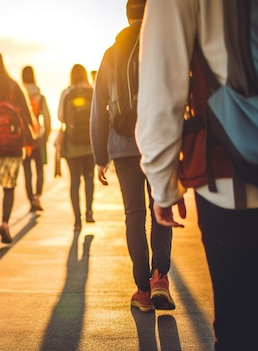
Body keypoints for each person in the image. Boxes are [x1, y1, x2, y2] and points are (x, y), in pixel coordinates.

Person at [137, 0, 258, 348]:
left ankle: (150, 281)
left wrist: (162, 185)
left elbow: (161, 86)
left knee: (241, 330)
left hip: (234, 179)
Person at [90, 0, 174, 313]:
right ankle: (159, 278)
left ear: (127, 15)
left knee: (134, 215)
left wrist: (100, 156)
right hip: (159, 143)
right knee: (160, 208)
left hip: (123, 146)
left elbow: (99, 109)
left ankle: (141, 290)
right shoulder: (162, 44)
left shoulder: (112, 53)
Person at [0, 51, 36, 245]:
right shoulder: (12, 85)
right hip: (11, 144)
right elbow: (27, 115)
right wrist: (30, 140)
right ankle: (4, 223)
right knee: (8, 186)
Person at [57, 63, 95, 232]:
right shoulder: (93, 91)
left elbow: (61, 116)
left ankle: (77, 220)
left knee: (74, 181)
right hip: (90, 143)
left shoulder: (67, 93)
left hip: (72, 145)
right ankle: (89, 211)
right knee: (89, 178)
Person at [21, 65, 52, 212]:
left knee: (27, 171)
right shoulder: (40, 95)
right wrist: (46, 136)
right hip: (37, 136)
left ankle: (30, 201)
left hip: (23, 139)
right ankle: (37, 196)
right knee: (39, 170)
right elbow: (47, 118)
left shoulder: (19, 93)